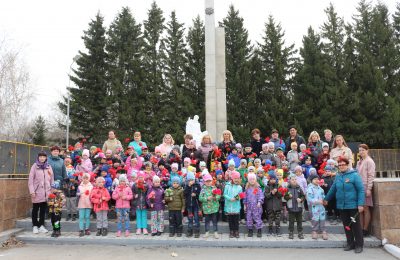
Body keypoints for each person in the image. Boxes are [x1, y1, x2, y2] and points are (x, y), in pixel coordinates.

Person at [324, 157, 365, 254]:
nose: (341, 166)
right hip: (341, 206)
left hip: (353, 206)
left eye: (343, 164)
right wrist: (326, 199)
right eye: (340, 165)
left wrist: (360, 204)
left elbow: (361, 190)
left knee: (356, 226)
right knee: (347, 226)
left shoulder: (355, 175)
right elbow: (333, 189)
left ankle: (359, 245)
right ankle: (350, 243)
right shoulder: (338, 176)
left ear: (347, 165)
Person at [28, 151, 54, 234]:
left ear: (46, 158)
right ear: (38, 157)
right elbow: (30, 180)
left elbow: (52, 179)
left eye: (44, 157)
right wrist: (32, 191)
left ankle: (41, 225)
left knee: (43, 209)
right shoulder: (34, 166)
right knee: (35, 209)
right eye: (40, 157)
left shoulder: (48, 167)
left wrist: (52, 189)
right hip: (36, 192)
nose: (42, 158)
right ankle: (35, 226)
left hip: (46, 192)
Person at [356, 144, 376, 237]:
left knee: (366, 208)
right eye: (360, 150)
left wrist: (369, 189)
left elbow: (371, 176)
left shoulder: (369, 161)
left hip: (365, 186)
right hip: (359, 187)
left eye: (363, 150)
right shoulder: (360, 161)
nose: (361, 152)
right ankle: (360, 228)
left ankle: (365, 229)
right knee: (360, 208)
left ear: (367, 151)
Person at [199, 173, 221, 239]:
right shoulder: (203, 189)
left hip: (214, 208)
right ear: (204, 182)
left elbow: (219, 196)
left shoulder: (214, 188)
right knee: (207, 221)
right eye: (207, 181)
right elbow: (200, 198)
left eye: (209, 181)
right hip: (206, 208)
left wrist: (215, 198)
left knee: (215, 221)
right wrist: (206, 198)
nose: (208, 183)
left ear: (212, 181)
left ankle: (215, 232)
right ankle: (207, 232)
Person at [284, 174, 305, 239]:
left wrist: (301, 199)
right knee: (291, 222)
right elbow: (285, 197)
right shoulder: (287, 189)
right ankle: (291, 232)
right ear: (290, 181)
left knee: (299, 221)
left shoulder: (299, 188)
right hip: (291, 208)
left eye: (295, 179)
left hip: (299, 208)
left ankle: (300, 233)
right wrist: (288, 196)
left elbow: (303, 196)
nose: (294, 181)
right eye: (292, 179)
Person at [307, 174, 328, 240]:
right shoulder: (310, 189)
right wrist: (317, 201)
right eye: (315, 179)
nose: (316, 180)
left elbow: (323, 196)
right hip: (314, 208)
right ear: (311, 180)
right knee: (315, 219)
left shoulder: (321, 189)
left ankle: (323, 231)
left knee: (322, 219)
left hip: (321, 207)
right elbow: (310, 199)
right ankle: (314, 231)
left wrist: (325, 200)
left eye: (317, 179)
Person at [223, 170, 243, 238]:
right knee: (230, 220)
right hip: (229, 206)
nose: (236, 180)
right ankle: (231, 231)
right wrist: (229, 198)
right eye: (235, 178)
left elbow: (241, 195)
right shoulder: (227, 186)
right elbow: (224, 194)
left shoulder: (239, 187)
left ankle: (236, 231)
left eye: (237, 178)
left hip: (236, 206)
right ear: (232, 178)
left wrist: (235, 198)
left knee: (236, 220)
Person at [244, 173, 264, 237]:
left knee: (257, 218)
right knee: (249, 218)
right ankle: (250, 230)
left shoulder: (257, 188)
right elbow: (245, 197)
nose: (252, 181)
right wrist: (245, 204)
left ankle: (259, 230)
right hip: (249, 207)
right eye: (250, 179)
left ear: (255, 180)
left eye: (253, 179)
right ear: (248, 180)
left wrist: (259, 202)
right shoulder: (247, 189)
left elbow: (260, 196)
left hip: (256, 207)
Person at [184, 172, 201, 238]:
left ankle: (197, 231)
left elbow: (199, 194)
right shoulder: (186, 186)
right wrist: (188, 186)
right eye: (190, 180)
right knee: (190, 219)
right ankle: (189, 231)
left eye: (192, 180)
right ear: (188, 181)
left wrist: (196, 194)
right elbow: (185, 193)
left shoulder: (197, 185)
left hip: (195, 205)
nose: (191, 181)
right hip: (189, 206)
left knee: (196, 218)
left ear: (194, 179)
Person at [77, 172, 93, 237]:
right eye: (84, 178)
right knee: (81, 217)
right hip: (81, 203)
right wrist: (80, 194)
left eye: (87, 178)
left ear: (89, 179)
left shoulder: (91, 186)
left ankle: (87, 229)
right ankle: (81, 229)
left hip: (88, 204)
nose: (85, 179)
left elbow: (92, 195)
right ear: (82, 179)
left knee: (87, 217)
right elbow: (77, 194)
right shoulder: (79, 186)